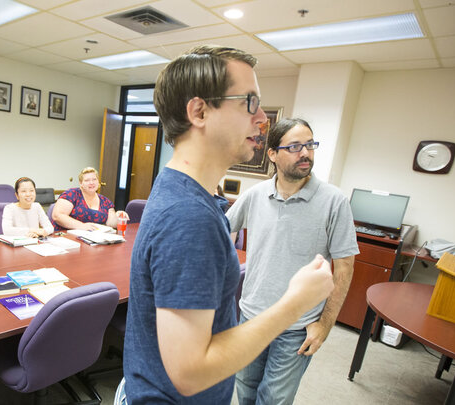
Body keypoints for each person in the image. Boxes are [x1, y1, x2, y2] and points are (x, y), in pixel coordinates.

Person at [120, 45, 334, 404]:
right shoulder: (188, 217)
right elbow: (190, 373)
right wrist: (295, 304)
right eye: (249, 102)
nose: (263, 117)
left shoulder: (182, 189)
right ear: (200, 111)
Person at [227, 117, 359, 404]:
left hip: (297, 327)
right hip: (252, 316)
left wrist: (324, 325)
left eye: (310, 145)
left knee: (273, 399)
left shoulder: (335, 201)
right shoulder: (256, 194)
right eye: (296, 146)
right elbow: (223, 229)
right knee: (245, 389)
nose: (306, 153)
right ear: (273, 154)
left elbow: (345, 269)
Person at [51, 167, 128, 232]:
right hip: (66, 237)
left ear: (98, 182)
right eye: (87, 180)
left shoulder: (106, 201)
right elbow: (57, 216)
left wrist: (118, 216)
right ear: (81, 183)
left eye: (94, 179)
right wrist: (82, 226)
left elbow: (111, 223)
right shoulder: (71, 194)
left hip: (93, 240)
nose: (91, 183)